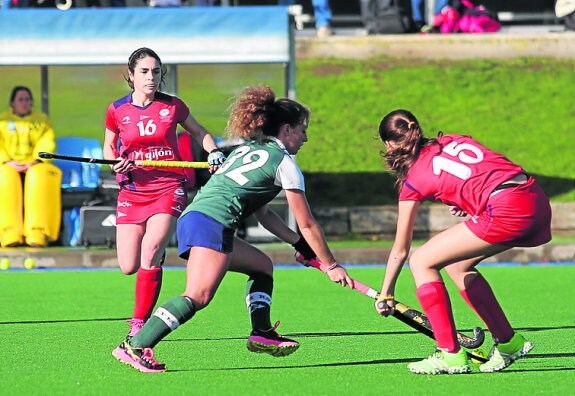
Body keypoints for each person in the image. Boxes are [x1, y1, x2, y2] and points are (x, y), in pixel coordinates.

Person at [112, 84, 353, 373]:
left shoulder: (248, 149)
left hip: (196, 218)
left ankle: (261, 332)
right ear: (286, 130)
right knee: (198, 296)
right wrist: (331, 263)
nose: (305, 137)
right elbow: (308, 222)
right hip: (213, 223)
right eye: (302, 130)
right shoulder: (285, 165)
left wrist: (298, 245)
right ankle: (136, 345)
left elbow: (264, 215)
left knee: (262, 266)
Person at [374, 109, 551, 375]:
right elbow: (487, 172)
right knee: (458, 267)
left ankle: (451, 355)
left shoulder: (413, 181)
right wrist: (470, 202)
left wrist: (386, 293)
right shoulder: (452, 140)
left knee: (421, 260)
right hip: (533, 197)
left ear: (389, 144)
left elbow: (400, 249)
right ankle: (509, 342)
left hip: (507, 209)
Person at [103, 47, 226, 342]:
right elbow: (109, 146)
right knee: (128, 266)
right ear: (131, 75)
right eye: (144, 72)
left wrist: (214, 151)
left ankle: (139, 322)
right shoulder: (117, 109)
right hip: (133, 189)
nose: (151, 77)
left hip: (168, 187)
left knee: (152, 246)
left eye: (156, 72)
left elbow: (200, 132)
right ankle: (155, 260)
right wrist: (115, 165)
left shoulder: (173, 106)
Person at [0, 86, 62, 248]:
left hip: (34, 164)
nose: (25, 103)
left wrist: (35, 160)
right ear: (12, 103)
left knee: (39, 175)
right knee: (5, 176)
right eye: (21, 99)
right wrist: (6, 161)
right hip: (8, 164)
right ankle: (8, 232)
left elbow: (47, 142)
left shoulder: (42, 120)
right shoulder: (3, 120)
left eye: (27, 99)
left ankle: (38, 232)